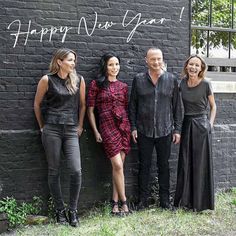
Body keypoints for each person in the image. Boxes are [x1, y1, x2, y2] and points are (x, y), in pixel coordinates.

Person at [34, 48, 86, 227]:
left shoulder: (79, 80)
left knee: (76, 170)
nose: (73, 63)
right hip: (52, 130)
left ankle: (73, 210)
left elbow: (83, 104)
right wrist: (42, 127)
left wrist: (80, 125)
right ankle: (59, 210)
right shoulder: (47, 80)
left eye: (74, 60)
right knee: (54, 170)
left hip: (71, 130)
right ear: (59, 62)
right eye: (70, 60)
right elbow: (37, 104)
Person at [129, 47, 182, 210]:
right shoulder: (138, 79)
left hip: (165, 130)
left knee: (164, 166)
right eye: (153, 59)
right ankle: (142, 201)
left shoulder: (171, 79)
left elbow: (177, 107)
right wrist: (133, 127)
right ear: (147, 60)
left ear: (162, 59)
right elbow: (132, 106)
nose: (156, 62)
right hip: (144, 131)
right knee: (144, 166)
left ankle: (165, 201)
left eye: (159, 59)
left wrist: (177, 129)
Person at [87, 52, 131, 216]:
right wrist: (96, 131)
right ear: (105, 66)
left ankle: (114, 204)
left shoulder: (123, 86)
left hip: (123, 127)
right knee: (118, 165)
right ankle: (125, 203)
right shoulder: (96, 85)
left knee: (117, 168)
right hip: (106, 127)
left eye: (117, 64)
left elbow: (125, 108)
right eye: (111, 64)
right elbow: (90, 111)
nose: (114, 68)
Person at [174, 55, 216, 212]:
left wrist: (209, 125)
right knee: (185, 163)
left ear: (201, 68)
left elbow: (213, 107)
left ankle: (201, 204)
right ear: (186, 66)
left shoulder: (206, 84)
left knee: (200, 163)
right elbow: (176, 105)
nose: (193, 67)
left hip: (202, 125)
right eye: (191, 64)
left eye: (197, 65)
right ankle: (185, 202)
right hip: (187, 124)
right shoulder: (182, 84)